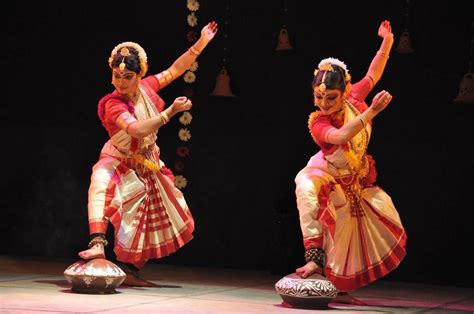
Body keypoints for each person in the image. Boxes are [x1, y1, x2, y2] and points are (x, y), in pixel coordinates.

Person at [78, 22, 218, 287]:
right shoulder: (113, 103)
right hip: (119, 158)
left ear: (139, 75)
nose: (120, 81)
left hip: (147, 162)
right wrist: (170, 113)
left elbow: (176, 70)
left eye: (127, 76)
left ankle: (129, 269)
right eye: (116, 75)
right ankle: (97, 242)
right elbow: (135, 129)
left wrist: (201, 43)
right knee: (100, 182)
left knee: (146, 220)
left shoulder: (146, 89)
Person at [294, 20, 406, 304]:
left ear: (344, 91)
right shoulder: (318, 120)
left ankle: (337, 285)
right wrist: (372, 113)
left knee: (345, 230)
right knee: (305, 188)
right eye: (318, 97)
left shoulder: (355, 98)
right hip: (324, 171)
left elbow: (373, 72)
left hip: (351, 176)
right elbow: (342, 134)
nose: (324, 103)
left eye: (331, 97)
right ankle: (313, 259)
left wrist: (387, 41)